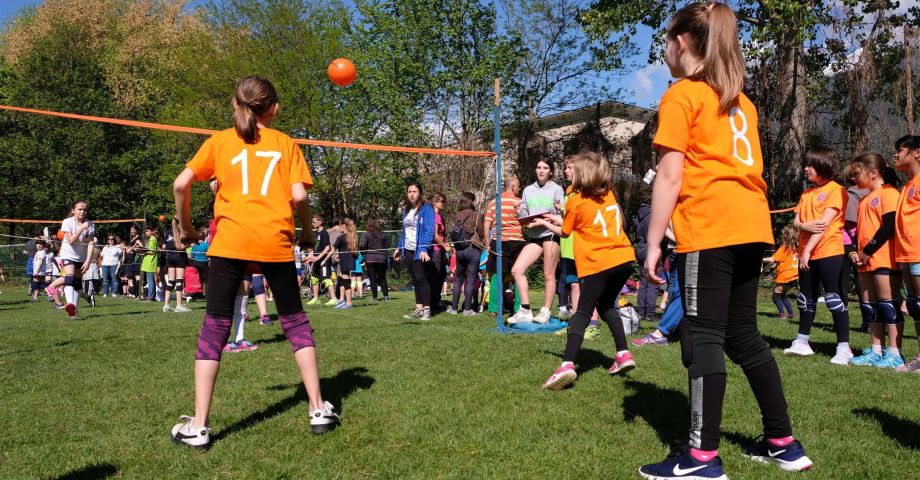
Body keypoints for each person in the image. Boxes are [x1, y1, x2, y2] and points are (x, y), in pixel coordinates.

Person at [638, 3, 812, 478]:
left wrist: (653, 242)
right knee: (743, 335)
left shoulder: (681, 96)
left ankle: (700, 457)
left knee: (706, 335)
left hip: (710, 226)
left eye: (666, 41)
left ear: (683, 41)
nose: (665, 51)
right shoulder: (741, 101)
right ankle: (783, 442)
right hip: (752, 226)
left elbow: (670, 176)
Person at [169, 75, 339, 449]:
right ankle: (317, 409)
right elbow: (298, 197)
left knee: (214, 328)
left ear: (237, 105)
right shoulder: (286, 144)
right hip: (275, 243)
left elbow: (181, 185)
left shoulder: (219, 142)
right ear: (274, 109)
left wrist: (186, 229)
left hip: (228, 244)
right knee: (295, 322)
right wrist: (308, 234)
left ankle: (199, 426)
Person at [530, 152, 637, 390]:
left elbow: (567, 231)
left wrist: (545, 223)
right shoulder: (609, 195)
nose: (571, 173)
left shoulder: (576, 201)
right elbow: (582, 221)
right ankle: (623, 354)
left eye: (574, 169)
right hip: (624, 259)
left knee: (582, 312)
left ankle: (567, 364)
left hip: (599, 262)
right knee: (607, 305)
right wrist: (556, 219)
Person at [783, 148, 853, 365]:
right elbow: (796, 222)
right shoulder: (807, 193)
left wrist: (807, 250)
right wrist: (804, 225)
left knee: (833, 298)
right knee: (805, 297)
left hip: (828, 251)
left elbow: (823, 225)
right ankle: (802, 341)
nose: (806, 169)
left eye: (810, 165)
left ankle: (844, 347)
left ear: (823, 166)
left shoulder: (836, 190)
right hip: (807, 252)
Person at [846, 152, 904, 368]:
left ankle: (895, 352)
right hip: (865, 263)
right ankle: (876, 349)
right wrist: (855, 253)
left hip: (884, 260)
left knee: (888, 306)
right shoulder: (864, 199)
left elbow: (888, 226)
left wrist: (868, 251)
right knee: (870, 307)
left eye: (857, 172)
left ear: (874, 173)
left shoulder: (888, 193)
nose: (854, 177)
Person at [509, 159, 564, 324]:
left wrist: (550, 218)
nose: (541, 170)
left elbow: (562, 216)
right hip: (533, 235)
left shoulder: (557, 189)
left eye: (545, 168)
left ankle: (545, 311)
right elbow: (524, 213)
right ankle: (525, 310)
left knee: (549, 274)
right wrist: (520, 211)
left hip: (550, 234)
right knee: (517, 270)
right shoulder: (528, 190)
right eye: (538, 167)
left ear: (551, 172)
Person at [892, 135, 920, 373]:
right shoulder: (908, 185)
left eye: (899, 150)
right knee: (915, 305)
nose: (895, 155)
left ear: (917, 153)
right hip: (905, 253)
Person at [482, 177, 525, 316]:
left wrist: (488, 244)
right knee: (519, 274)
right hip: (517, 241)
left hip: (499, 241)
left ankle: (494, 308)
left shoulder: (493, 203)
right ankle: (520, 307)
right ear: (513, 186)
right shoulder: (519, 202)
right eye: (518, 187)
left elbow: (486, 225)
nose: (519, 189)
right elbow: (525, 222)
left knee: (496, 275)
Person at [395, 181, 436, 321]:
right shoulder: (406, 210)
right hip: (408, 250)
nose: (411, 194)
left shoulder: (427, 209)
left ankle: (427, 310)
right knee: (415, 279)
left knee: (421, 278)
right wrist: (399, 248)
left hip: (420, 250)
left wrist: (424, 248)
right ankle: (419, 308)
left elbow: (429, 230)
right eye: (409, 192)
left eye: (414, 191)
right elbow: (404, 232)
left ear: (420, 193)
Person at [58, 200, 96, 318]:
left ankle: (74, 311)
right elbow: (71, 240)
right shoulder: (67, 222)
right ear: (73, 210)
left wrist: (88, 260)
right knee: (69, 278)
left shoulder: (91, 224)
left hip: (81, 256)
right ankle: (70, 303)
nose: (82, 211)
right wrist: (81, 228)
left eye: (85, 209)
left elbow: (90, 243)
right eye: (80, 209)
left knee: (78, 282)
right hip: (68, 254)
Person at [447, 191, 483, 316]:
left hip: (460, 250)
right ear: (470, 201)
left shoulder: (457, 214)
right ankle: (467, 309)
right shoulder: (475, 214)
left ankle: (453, 308)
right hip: (473, 249)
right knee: (471, 280)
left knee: (458, 279)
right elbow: (481, 231)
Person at [762, 225, 799, 320]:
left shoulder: (785, 247)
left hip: (785, 275)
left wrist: (760, 259)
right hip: (794, 275)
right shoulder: (797, 247)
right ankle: (791, 315)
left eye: (783, 234)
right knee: (783, 294)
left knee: (776, 296)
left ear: (786, 236)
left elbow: (772, 259)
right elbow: (786, 260)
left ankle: (782, 315)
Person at [305, 214, 336, 305]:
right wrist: (309, 258)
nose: (312, 223)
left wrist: (319, 258)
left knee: (326, 279)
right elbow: (315, 249)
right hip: (316, 261)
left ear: (320, 222)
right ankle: (316, 298)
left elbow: (327, 247)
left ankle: (334, 298)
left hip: (324, 261)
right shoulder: (317, 233)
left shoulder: (324, 233)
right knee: (314, 278)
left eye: (314, 222)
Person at [429, 193, 452, 310]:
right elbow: (435, 235)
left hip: (438, 250)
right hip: (436, 250)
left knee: (439, 275)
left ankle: (435, 301)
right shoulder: (435, 216)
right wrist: (444, 245)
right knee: (437, 276)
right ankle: (434, 303)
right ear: (434, 202)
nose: (444, 204)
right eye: (441, 201)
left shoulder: (434, 215)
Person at [163, 218, 191, 313]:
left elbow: (164, 246)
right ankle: (179, 305)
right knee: (179, 281)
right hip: (179, 256)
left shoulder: (167, 232)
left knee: (171, 281)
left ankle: (166, 305)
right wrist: (190, 244)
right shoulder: (181, 232)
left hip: (169, 257)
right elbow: (181, 247)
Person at [360, 218, 390, 302]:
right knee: (382, 278)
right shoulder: (383, 234)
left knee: (372, 279)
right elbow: (387, 245)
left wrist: (364, 251)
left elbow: (362, 246)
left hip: (370, 259)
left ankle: (374, 297)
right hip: (381, 258)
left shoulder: (366, 234)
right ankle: (386, 296)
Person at [333, 218, 358, 309]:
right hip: (349, 261)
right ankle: (342, 300)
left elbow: (332, 249)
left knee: (346, 282)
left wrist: (325, 259)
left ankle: (348, 303)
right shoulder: (353, 237)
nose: (339, 227)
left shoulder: (341, 237)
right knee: (341, 278)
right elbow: (353, 252)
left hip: (345, 263)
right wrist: (340, 255)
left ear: (344, 226)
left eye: (340, 225)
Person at [140, 227, 159, 302]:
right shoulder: (150, 239)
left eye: (148, 231)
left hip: (151, 262)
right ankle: (151, 296)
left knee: (150, 280)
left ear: (152, 232)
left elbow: (151, 252)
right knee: (150, 280)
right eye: (146, 231)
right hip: (147, 262)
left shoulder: (153, 239)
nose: (146, 232)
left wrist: (143, 251)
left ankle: (150, 297)